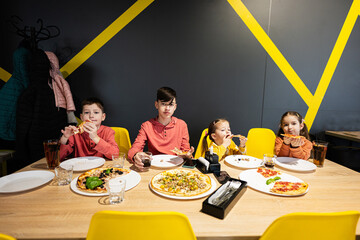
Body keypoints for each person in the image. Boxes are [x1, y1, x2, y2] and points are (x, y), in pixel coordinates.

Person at [128, 87, 194, 170]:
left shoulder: (182, 125)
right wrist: (135, 155)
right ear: (156, 105)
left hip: (176, 167)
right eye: (163, 104)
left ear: (175, 107)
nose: (167, 108)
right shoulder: (147, 125)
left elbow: (186, 151)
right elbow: (134, 149)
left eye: (171, 104)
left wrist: (187, 155)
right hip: (154, 167)